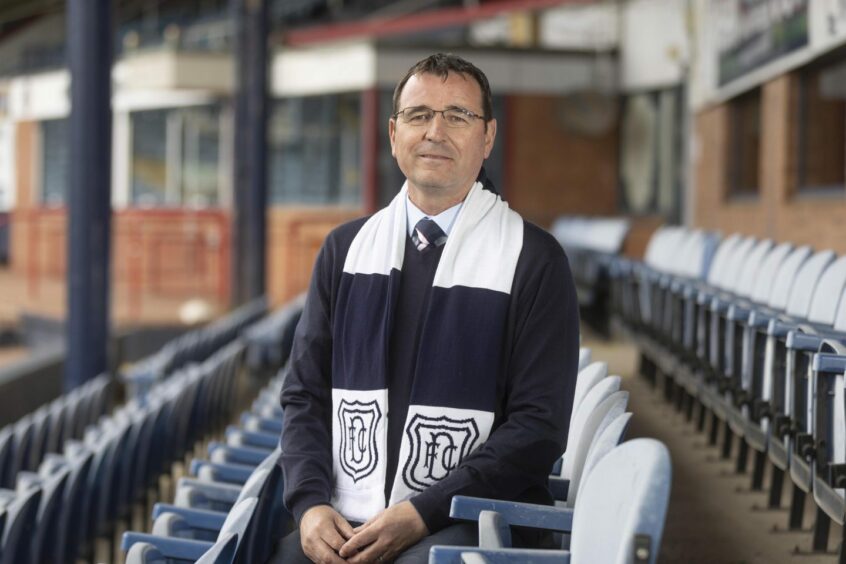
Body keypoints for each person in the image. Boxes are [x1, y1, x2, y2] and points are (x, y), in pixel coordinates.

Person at [272, 53, 579, 564]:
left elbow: (538, 427)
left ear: (488, 138)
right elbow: (304, 395)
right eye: (419, 115)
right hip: (346, 512)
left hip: (473, 518)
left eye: (458, 116)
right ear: (394, 135)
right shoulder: (344, 252)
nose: (435, 131)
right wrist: (308, 506)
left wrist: (422, 511)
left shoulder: (535, 260)